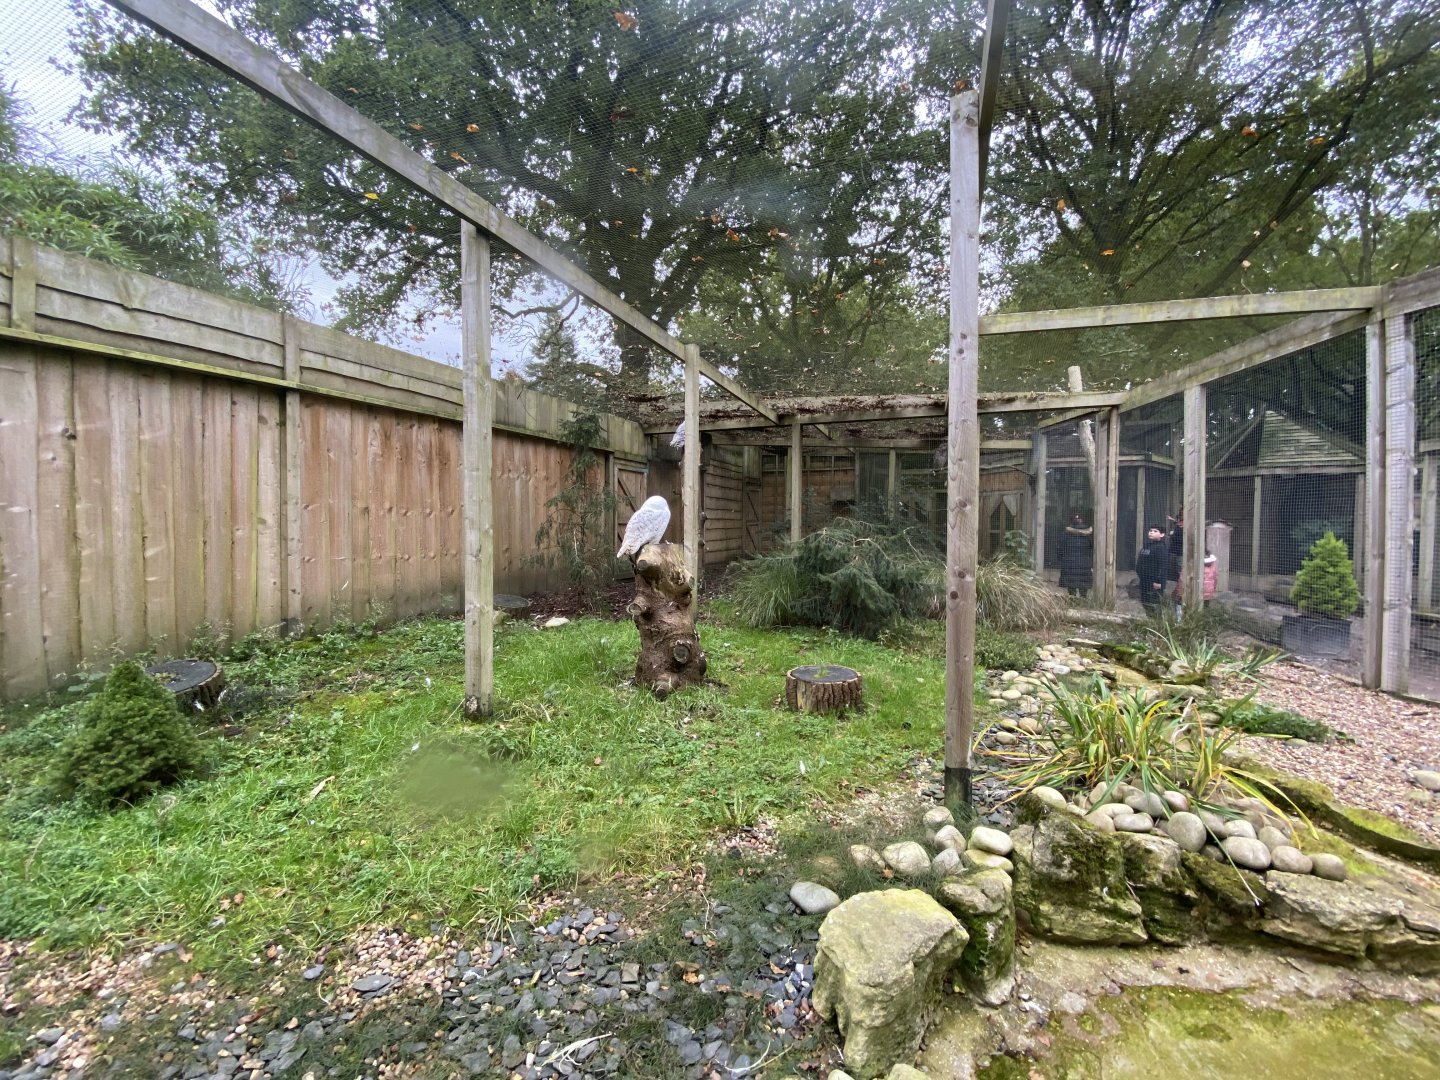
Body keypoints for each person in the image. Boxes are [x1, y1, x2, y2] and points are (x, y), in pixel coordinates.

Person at [1134, 524, 1170, 610]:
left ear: (1162, 534)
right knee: (1145, 603)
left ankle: (1156, 622)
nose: (1151, 533)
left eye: (1155, 531)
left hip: (1154, 583)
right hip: (1144, 581)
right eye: (1150, 531)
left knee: (1153, 605)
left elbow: (1163, 565)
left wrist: (1158, 581)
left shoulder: (1161, 547)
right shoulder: (1147, 546)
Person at [1057, 513, 1094, 597]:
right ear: (1082, 521)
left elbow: (1060, 549)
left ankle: (1072, 599)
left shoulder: (1065, 534)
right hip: (1084, 563)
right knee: (1083, 582)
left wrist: (1061, 559)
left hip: (1069, 564)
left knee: (1071, 583)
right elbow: (1092, 548)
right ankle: (1083, 597)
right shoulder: (1088, 534)